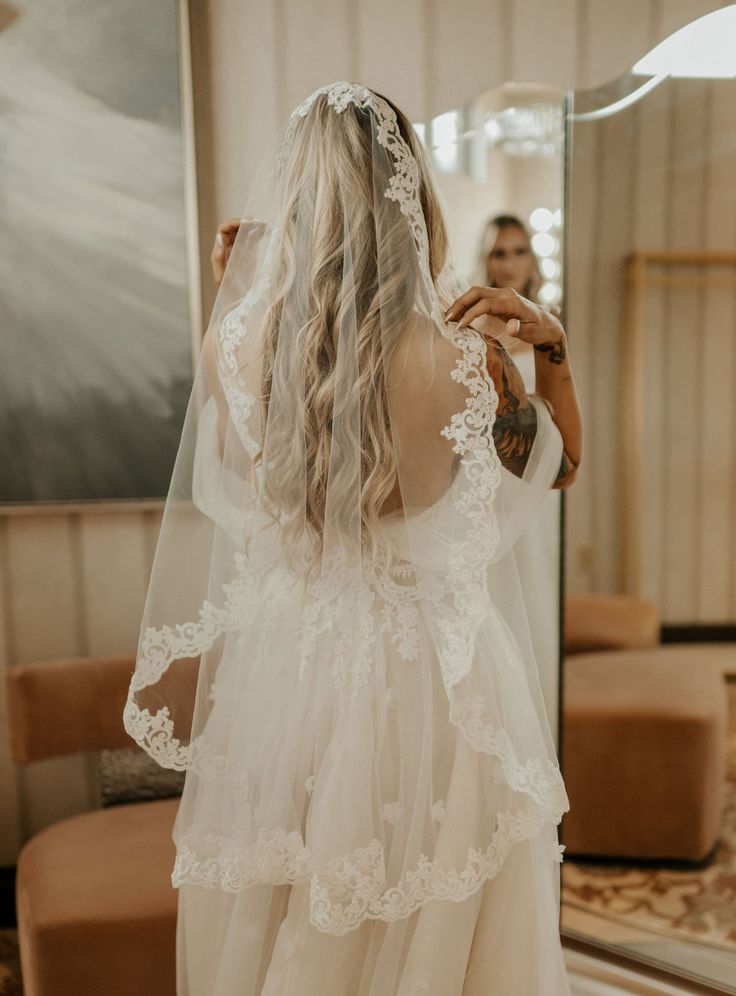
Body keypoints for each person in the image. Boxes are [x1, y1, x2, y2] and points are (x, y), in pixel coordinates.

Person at [124, 81, 582, 995]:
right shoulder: (469, 358)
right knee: (438, 922)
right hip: (438, 690)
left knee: (296, 914)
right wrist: (552, 346)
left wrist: (233, 298)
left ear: (297, 199)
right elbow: (557, 468)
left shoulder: (235, 348)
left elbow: (234, 467)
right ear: (411, 196)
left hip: (292, 677)